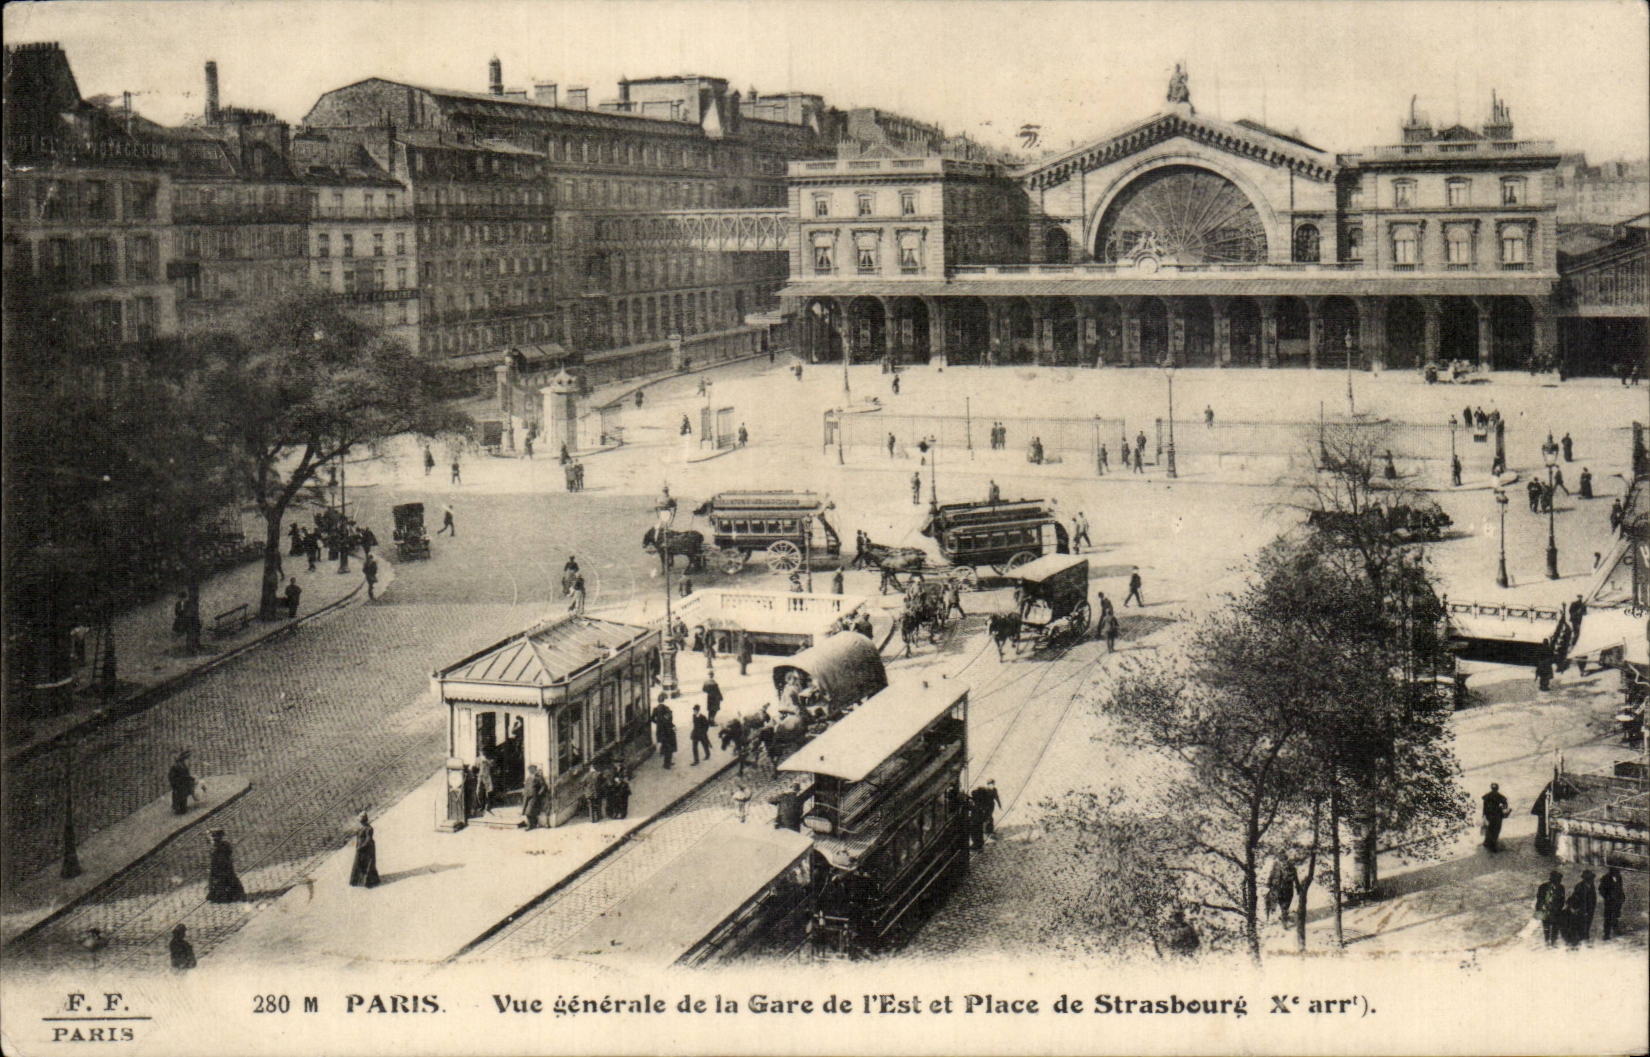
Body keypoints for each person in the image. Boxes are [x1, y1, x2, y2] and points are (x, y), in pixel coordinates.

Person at [206, 829, 247, 903]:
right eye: (212, 836)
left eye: (215, 836)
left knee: (227, 879)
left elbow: (228, 855)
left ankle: (229, 895)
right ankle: (219, 896)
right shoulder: (213, 846)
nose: (213, 838)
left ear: (220, 837)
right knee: (218, 881)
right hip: (217, 866)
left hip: (224, 865)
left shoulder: (223, 845)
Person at [349, 813, 381, 887]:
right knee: (359, 863)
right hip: (360, 847)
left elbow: (368, 839)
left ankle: (369, 881)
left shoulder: (369, 829)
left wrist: (361, 847)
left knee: (368, 864)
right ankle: (358, 880)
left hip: (367, 848)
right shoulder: (361, 828)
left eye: (361, 818)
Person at [1535, 870, 1566, 947]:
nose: (1558, 882)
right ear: (1552, 880)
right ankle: (1547, 941)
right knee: (1546, 926)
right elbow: (1539, 898)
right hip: (1545, 909)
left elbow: (1562, 900)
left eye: (1559, 880)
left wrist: (1558, 908)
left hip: (1556, 910)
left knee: (1555, 926)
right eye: (1556, 880)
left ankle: (1553, 942)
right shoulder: (1543, 887)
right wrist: (1541, 908)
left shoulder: (1561, 888)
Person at [1267, 857, 1298, 926]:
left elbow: (1295, 877)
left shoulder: (1291, 867)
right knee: (1284, 904)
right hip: (1282, 888)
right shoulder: (1277, 866)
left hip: (1287, 888)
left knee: (1286, 903)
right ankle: (1284, 920)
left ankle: (1284, 915)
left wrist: (1298, 887)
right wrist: (1269, 883)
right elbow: (1272, 874)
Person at [971, 780, 1002, 845]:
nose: (992, 786)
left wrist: (999, 805)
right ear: (988, 785)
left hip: (991, 806)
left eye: (993, 784)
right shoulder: (985, 790)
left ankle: (989, 829)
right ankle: (987, 830)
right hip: (986, 806)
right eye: (990, 784)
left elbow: (997, 797)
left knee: (989, 816)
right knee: (987, 817)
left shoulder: (994, 790)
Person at [1598, 866, 1626, 940]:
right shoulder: (1605, 878)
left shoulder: (1619, 877)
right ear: (1611, 871)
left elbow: (1620, 888)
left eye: (1618, 870)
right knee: (1608, 917)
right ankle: (1606, 934)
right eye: (1616, 870)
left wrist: (1622, 896)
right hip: (1609, 902)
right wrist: (1607, 897)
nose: (1618, 872)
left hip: (1617, 900)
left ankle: (1616, 930)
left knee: (1616, 915)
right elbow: (1601, 889)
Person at [1482, 782, 1510, 852]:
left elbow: (1484, 807)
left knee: (1490, 829)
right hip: (1497, 815)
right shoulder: (1499, 796)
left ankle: (1487, 843)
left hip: (1489, 815)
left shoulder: (1487, 796)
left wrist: (1484, 815)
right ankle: (1493, 846)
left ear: (1491, 788)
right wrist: (1501, 808)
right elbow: (1505, 805)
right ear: (1497, 788)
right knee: (1496, 830)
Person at [168, 750, 195, 815]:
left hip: (182, 783)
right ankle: (179, 808)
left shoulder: (182, 765)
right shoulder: (177, 766)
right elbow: (176, 776)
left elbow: (185, 774)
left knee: (182, 795)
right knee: (180, 795)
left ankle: (181, 807)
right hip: (179, 783)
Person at [652, 698, 677, 769]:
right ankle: (667, 763)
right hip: (666, 731)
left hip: (660, 730)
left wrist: (657, 723)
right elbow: (670, 718)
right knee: (668, 747)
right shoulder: (666, 708)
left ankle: (667, 761)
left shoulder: (655, 709)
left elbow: (652, 719)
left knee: (665, 745)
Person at [473, 751, 496, 816]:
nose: (482, 753)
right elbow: (475, 767)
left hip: (487, 776)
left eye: (483, 752)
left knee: (488, 792)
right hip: (480, 777)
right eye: (481, 752)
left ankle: (488, 807)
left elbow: (493, 765)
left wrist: (486, 761)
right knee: (478, 792)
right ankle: (481, 806)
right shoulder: (478, 759)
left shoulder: (489, 759)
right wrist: (476, 774)